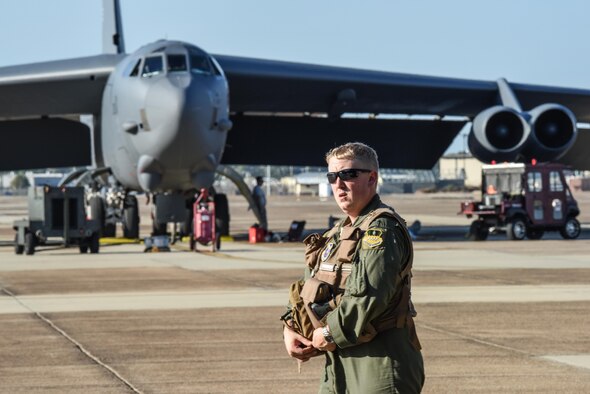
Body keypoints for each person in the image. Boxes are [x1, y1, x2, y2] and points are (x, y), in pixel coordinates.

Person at [282, 142, 424, 393]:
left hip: (378, 363)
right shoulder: (338, 233)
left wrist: (328, 333)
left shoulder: (381, 230)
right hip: (338, 364)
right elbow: (309, 286)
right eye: (332, 176)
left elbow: (369, 296)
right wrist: (291, 327)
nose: (339, 184)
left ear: (372, 178)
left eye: (348, 175)